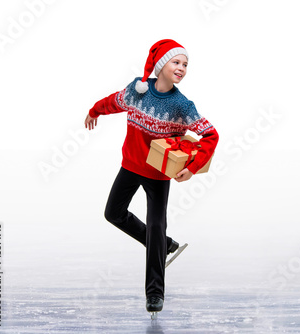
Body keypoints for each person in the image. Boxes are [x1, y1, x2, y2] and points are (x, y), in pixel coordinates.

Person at [84, 39, 219, 313]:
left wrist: (192, 168)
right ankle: (165, 245)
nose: (181, 68)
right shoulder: (138, 91)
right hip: (131, 166)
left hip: (158, 175)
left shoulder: (182, 105)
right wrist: (94, 110)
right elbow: (114, 101)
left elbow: (211, 135)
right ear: (161, 64)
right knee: (113, 213)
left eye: (185, 64)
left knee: (156, 226)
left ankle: (155, 294)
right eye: (176, 62)